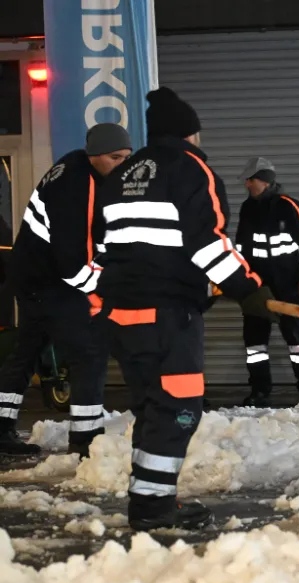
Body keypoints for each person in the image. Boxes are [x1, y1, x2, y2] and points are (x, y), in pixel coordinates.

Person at [96, 87, 274, 531]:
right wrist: (248, 288)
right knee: (178, 407)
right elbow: (206, 241)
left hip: (123, 314)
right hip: (167, 315)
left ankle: (149, 499)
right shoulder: (193, 169)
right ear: (190, 133)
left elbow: (105, 244)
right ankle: (153, 507)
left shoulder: (121, 174)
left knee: (150, 406)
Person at [0, 123, 132, 458]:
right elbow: (73, 262)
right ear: (94, 156)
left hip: (33, 278)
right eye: (115, 157)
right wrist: (101, 292)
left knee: (26, 352)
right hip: (51, 282)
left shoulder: (78, 170)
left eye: (127, 157)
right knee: (89, 351)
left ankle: (0, 428)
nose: (122, 164)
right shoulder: (77, 184)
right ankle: (86, 441)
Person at [234, 157, 299, 407]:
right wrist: (241, 282)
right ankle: (259, 391)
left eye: (250, 180)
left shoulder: (289, 206)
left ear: (264, 180)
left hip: (290, 288)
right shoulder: (247, 208)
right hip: (256, 289)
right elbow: (241, 247)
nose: (247, 185)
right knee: (254, 343)